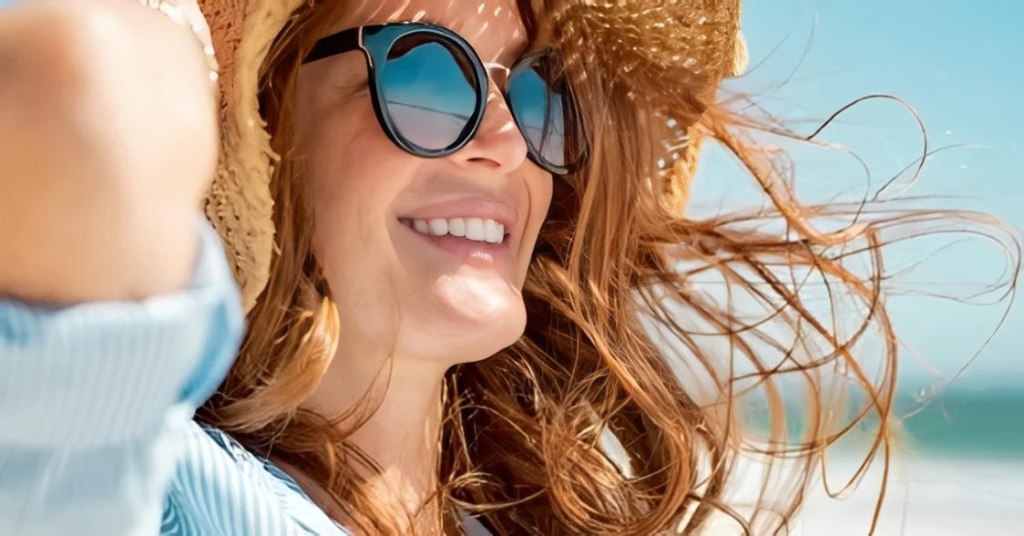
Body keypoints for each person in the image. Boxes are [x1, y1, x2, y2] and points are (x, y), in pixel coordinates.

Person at [0, 0, 1016, 534]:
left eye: (536, 91)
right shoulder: (142, 487)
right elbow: (78, 86)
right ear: (269, 131)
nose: (503, 139)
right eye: (424, 70)